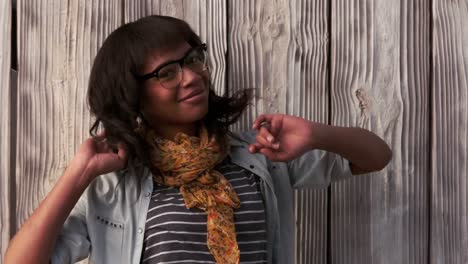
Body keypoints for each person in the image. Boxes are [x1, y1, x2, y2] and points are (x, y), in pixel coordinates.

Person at [5, 15, 392, 264]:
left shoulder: (257, 153)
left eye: (192, 59)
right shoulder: (116, 187)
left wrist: (315, 134)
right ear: (132, 94)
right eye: (166, 73)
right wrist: (80, 173)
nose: (190, 76)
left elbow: (376, 156)